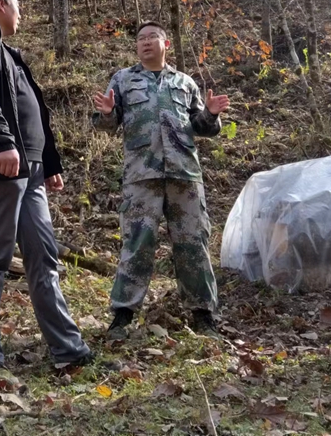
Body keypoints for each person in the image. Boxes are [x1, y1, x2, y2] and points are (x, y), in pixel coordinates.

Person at [0, 0, 92, 386]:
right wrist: (1, 144)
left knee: (44, 257)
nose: (21, 13)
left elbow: (35, 114)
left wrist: (49, 163)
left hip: (30, 171)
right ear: (1, 4)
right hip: (2, 166)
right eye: (18, 5)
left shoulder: (12, 54)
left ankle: (68, 350)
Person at [92, 21, 229, 341]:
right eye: (140, 39)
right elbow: (105, 125)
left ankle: (203, 315)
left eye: (152, 37)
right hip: (142, 176)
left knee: (193, 244)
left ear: (165, 44)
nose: (145, 42)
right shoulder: (123, 80)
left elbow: (204, 128)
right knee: (137, 243)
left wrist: (210, 113)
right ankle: (123, 316)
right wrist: (109, 112)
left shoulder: (184, 82)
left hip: (185, 175)